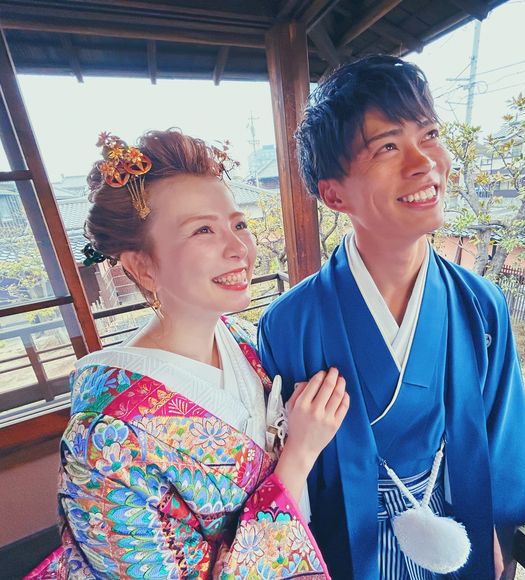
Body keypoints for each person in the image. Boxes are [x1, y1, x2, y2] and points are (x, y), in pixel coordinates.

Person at [257, 55, 525, 580]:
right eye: (387, 147)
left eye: (430, 134)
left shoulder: (480, 304)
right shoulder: (289, 324)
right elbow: (287, 469)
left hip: (458, 537)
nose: (424, 162)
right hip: (347, 550)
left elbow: (501, 440)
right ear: (333, 193)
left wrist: (496, 535)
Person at [27, 129, 349, 579]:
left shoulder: (242, 339)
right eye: (203, 230)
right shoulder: (102, 441)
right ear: (142, 265)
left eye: (238, 224)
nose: (239, 249)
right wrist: (298, 455)